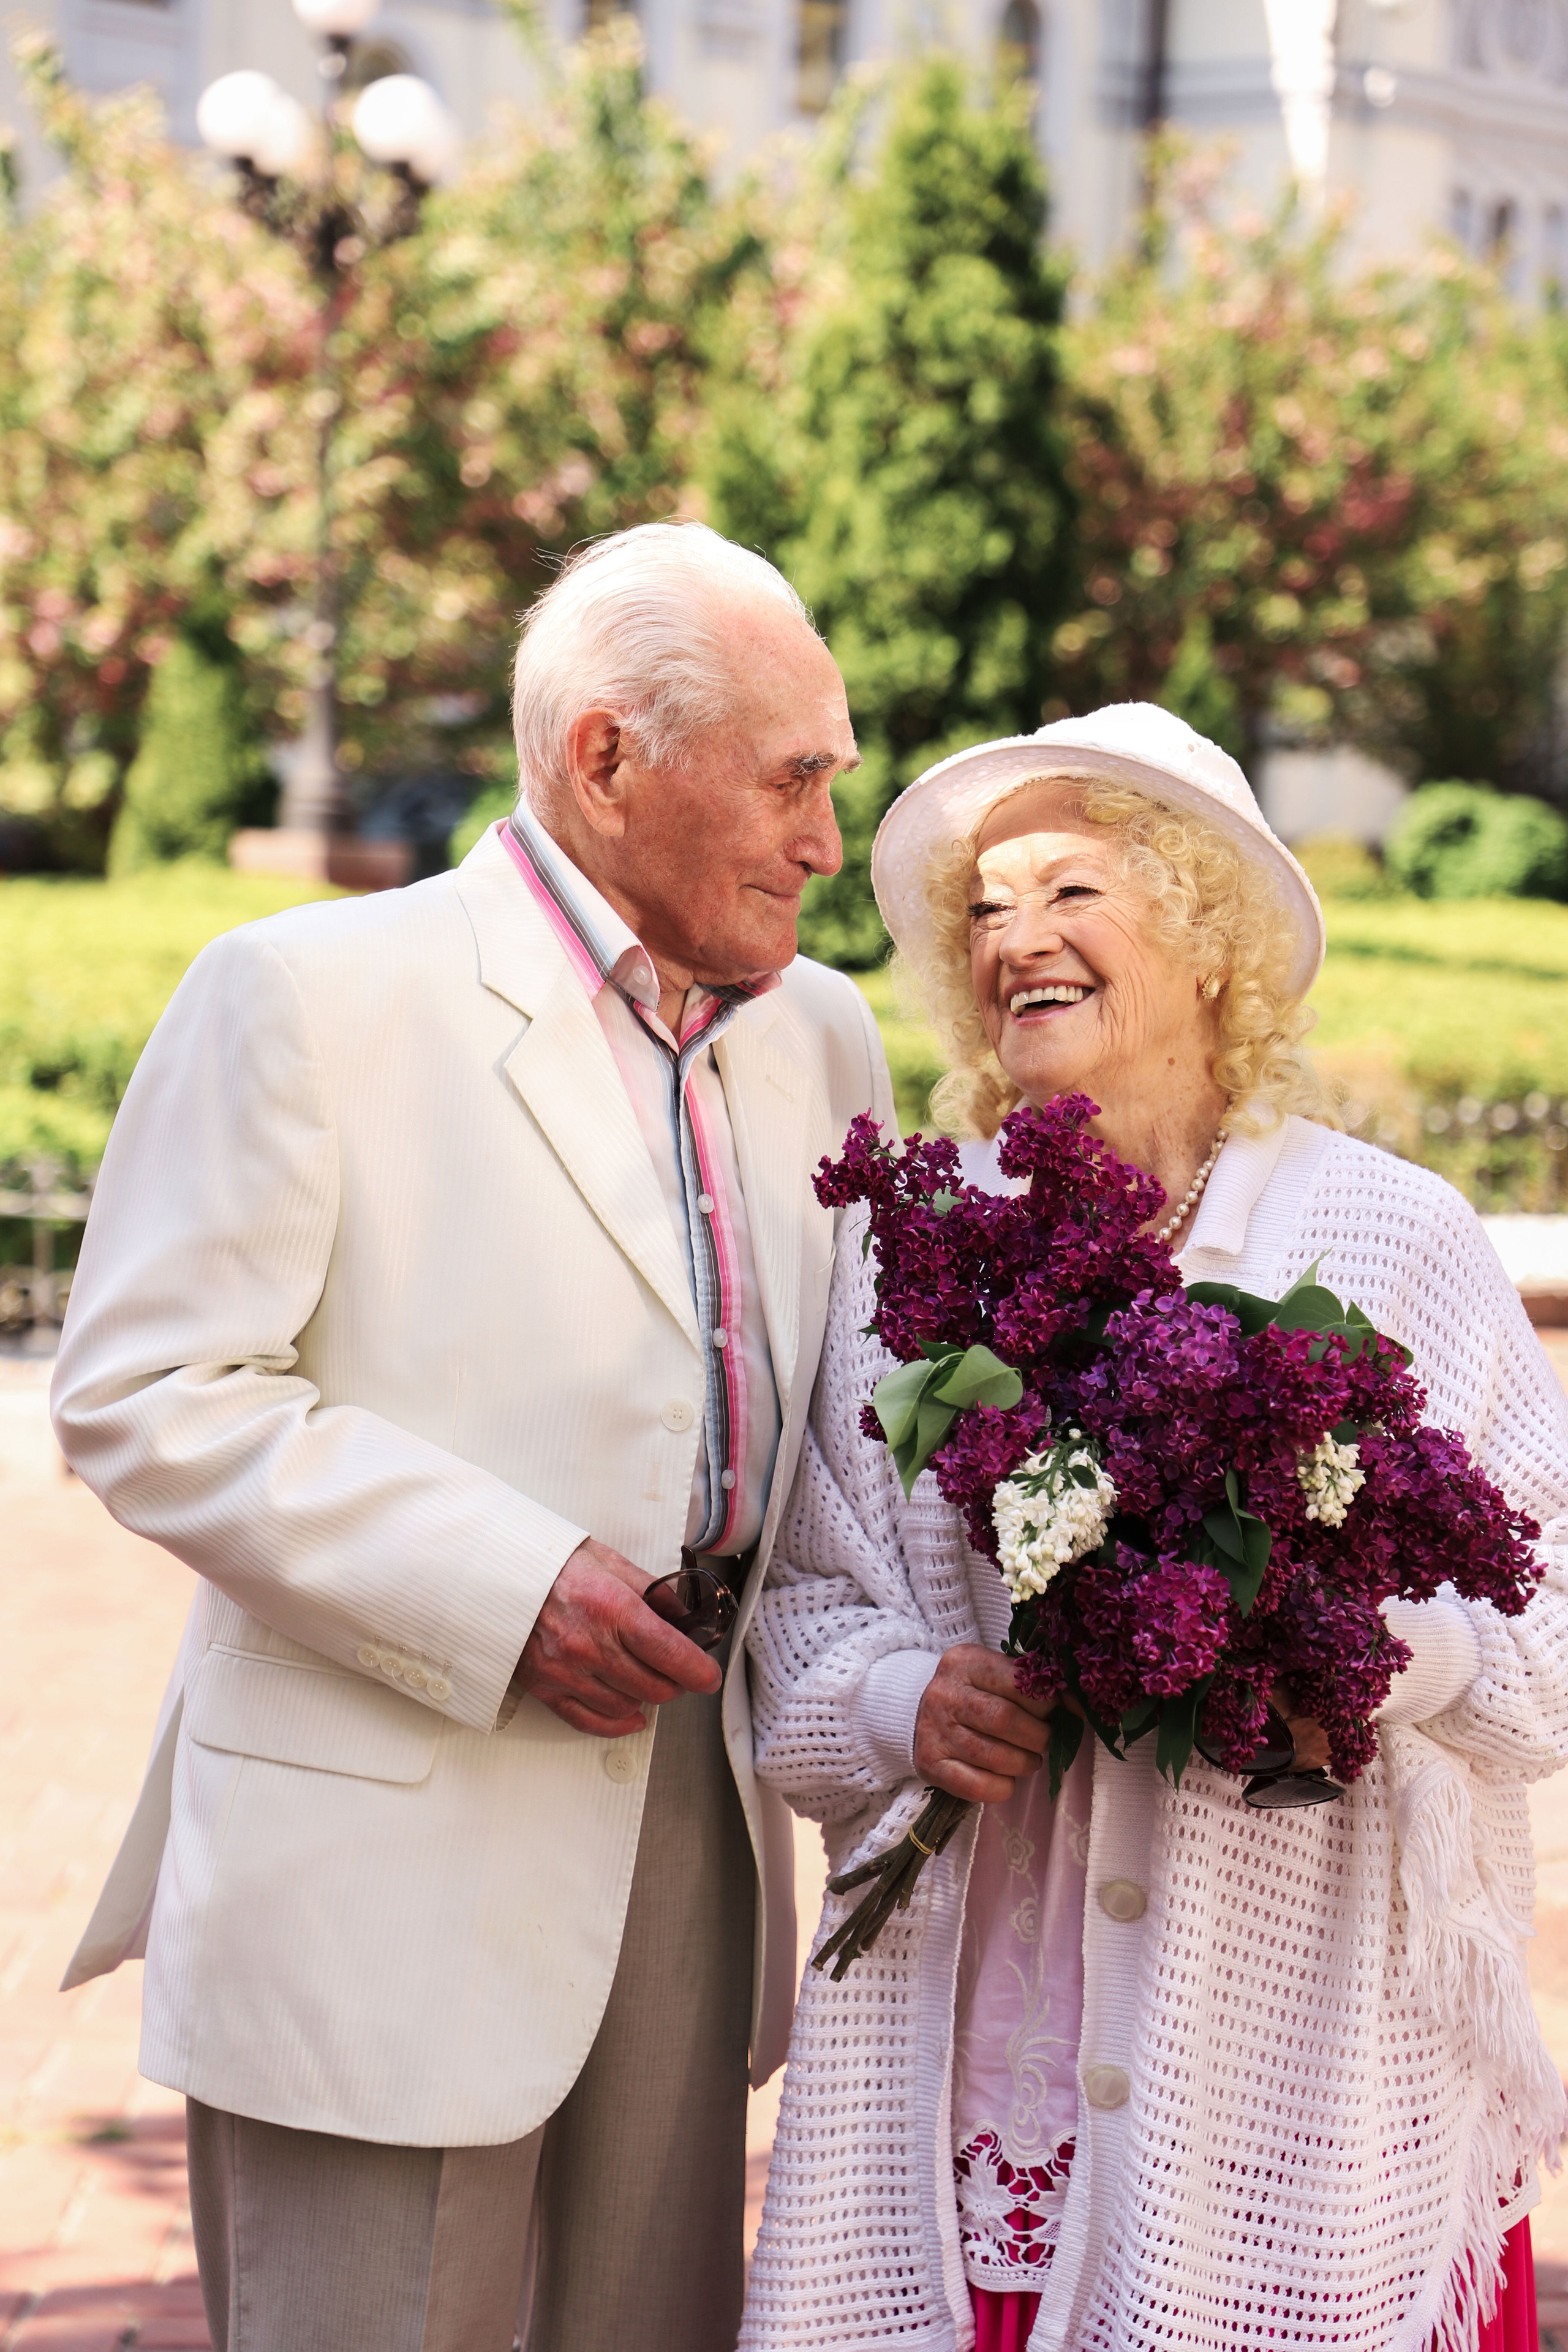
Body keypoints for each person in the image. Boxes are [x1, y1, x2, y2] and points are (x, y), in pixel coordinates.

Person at [51, 521, 894, 2352]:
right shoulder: (303, 996)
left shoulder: (827, 1038)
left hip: (699, 1820)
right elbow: (143, 1393)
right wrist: (508, 1591)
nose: (830, 841)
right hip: (382, 1859)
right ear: (604, 757)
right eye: (790, 780)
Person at [741, 701, 1568, 2352]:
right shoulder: (922, 1256)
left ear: (1202, 937)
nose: (1012, 941)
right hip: (991, 2062)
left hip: (1295, 2101)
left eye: (1069, 892)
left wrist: (1371, 1653)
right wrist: (913, 1699)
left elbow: (1547, 1632)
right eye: (981, 909)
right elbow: (810, 1610)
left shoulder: (1391, 1241)